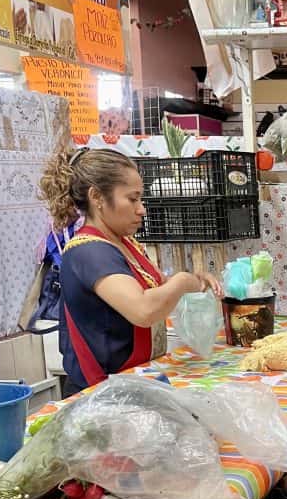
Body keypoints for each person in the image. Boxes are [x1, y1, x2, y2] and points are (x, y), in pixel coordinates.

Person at [40, 147, 221, 394]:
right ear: (97, 197)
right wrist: (182, 282)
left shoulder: (123, 243)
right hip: (101, 395)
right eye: (132, 199)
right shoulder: (89, 252)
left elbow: (159, 289)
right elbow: (143, 310)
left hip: (132, 384)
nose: (141, 209)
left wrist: (197, 280)